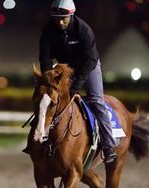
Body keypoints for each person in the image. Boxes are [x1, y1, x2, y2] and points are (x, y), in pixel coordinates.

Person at [38, 0, 117, 164]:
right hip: (64, 68)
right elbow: (45, 58)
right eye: (56, 18)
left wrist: (75, 87)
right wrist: (48, 79)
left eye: (63, 18)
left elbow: (89, 61)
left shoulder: (84, 30)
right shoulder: (48, 30)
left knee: (96, 100)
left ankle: (109, 146)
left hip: (89, 66)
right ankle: (37, 136)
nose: (60, 22)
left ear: (71, 15)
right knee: (45, 98)